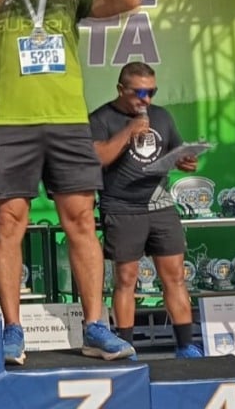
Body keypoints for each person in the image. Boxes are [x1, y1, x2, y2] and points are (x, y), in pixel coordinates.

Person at [0, 0, 140, 365]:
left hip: (67, 121)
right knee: (9, 223)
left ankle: (95, 326)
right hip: (10, 122)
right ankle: (13, 329)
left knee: (81, 220)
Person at [88, 62, 203, 359]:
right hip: (122, 207)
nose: (146, 99)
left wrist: (185, 161)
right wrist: (129, 131)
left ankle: (185, 345)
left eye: (152, 91)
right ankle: (126, 348)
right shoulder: (101, 119)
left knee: (175, 276)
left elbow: (176, 151)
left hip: (160, 205)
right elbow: (98, 159)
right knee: (126, 279)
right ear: (120, 89)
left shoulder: (161, 116)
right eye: (139, 92)